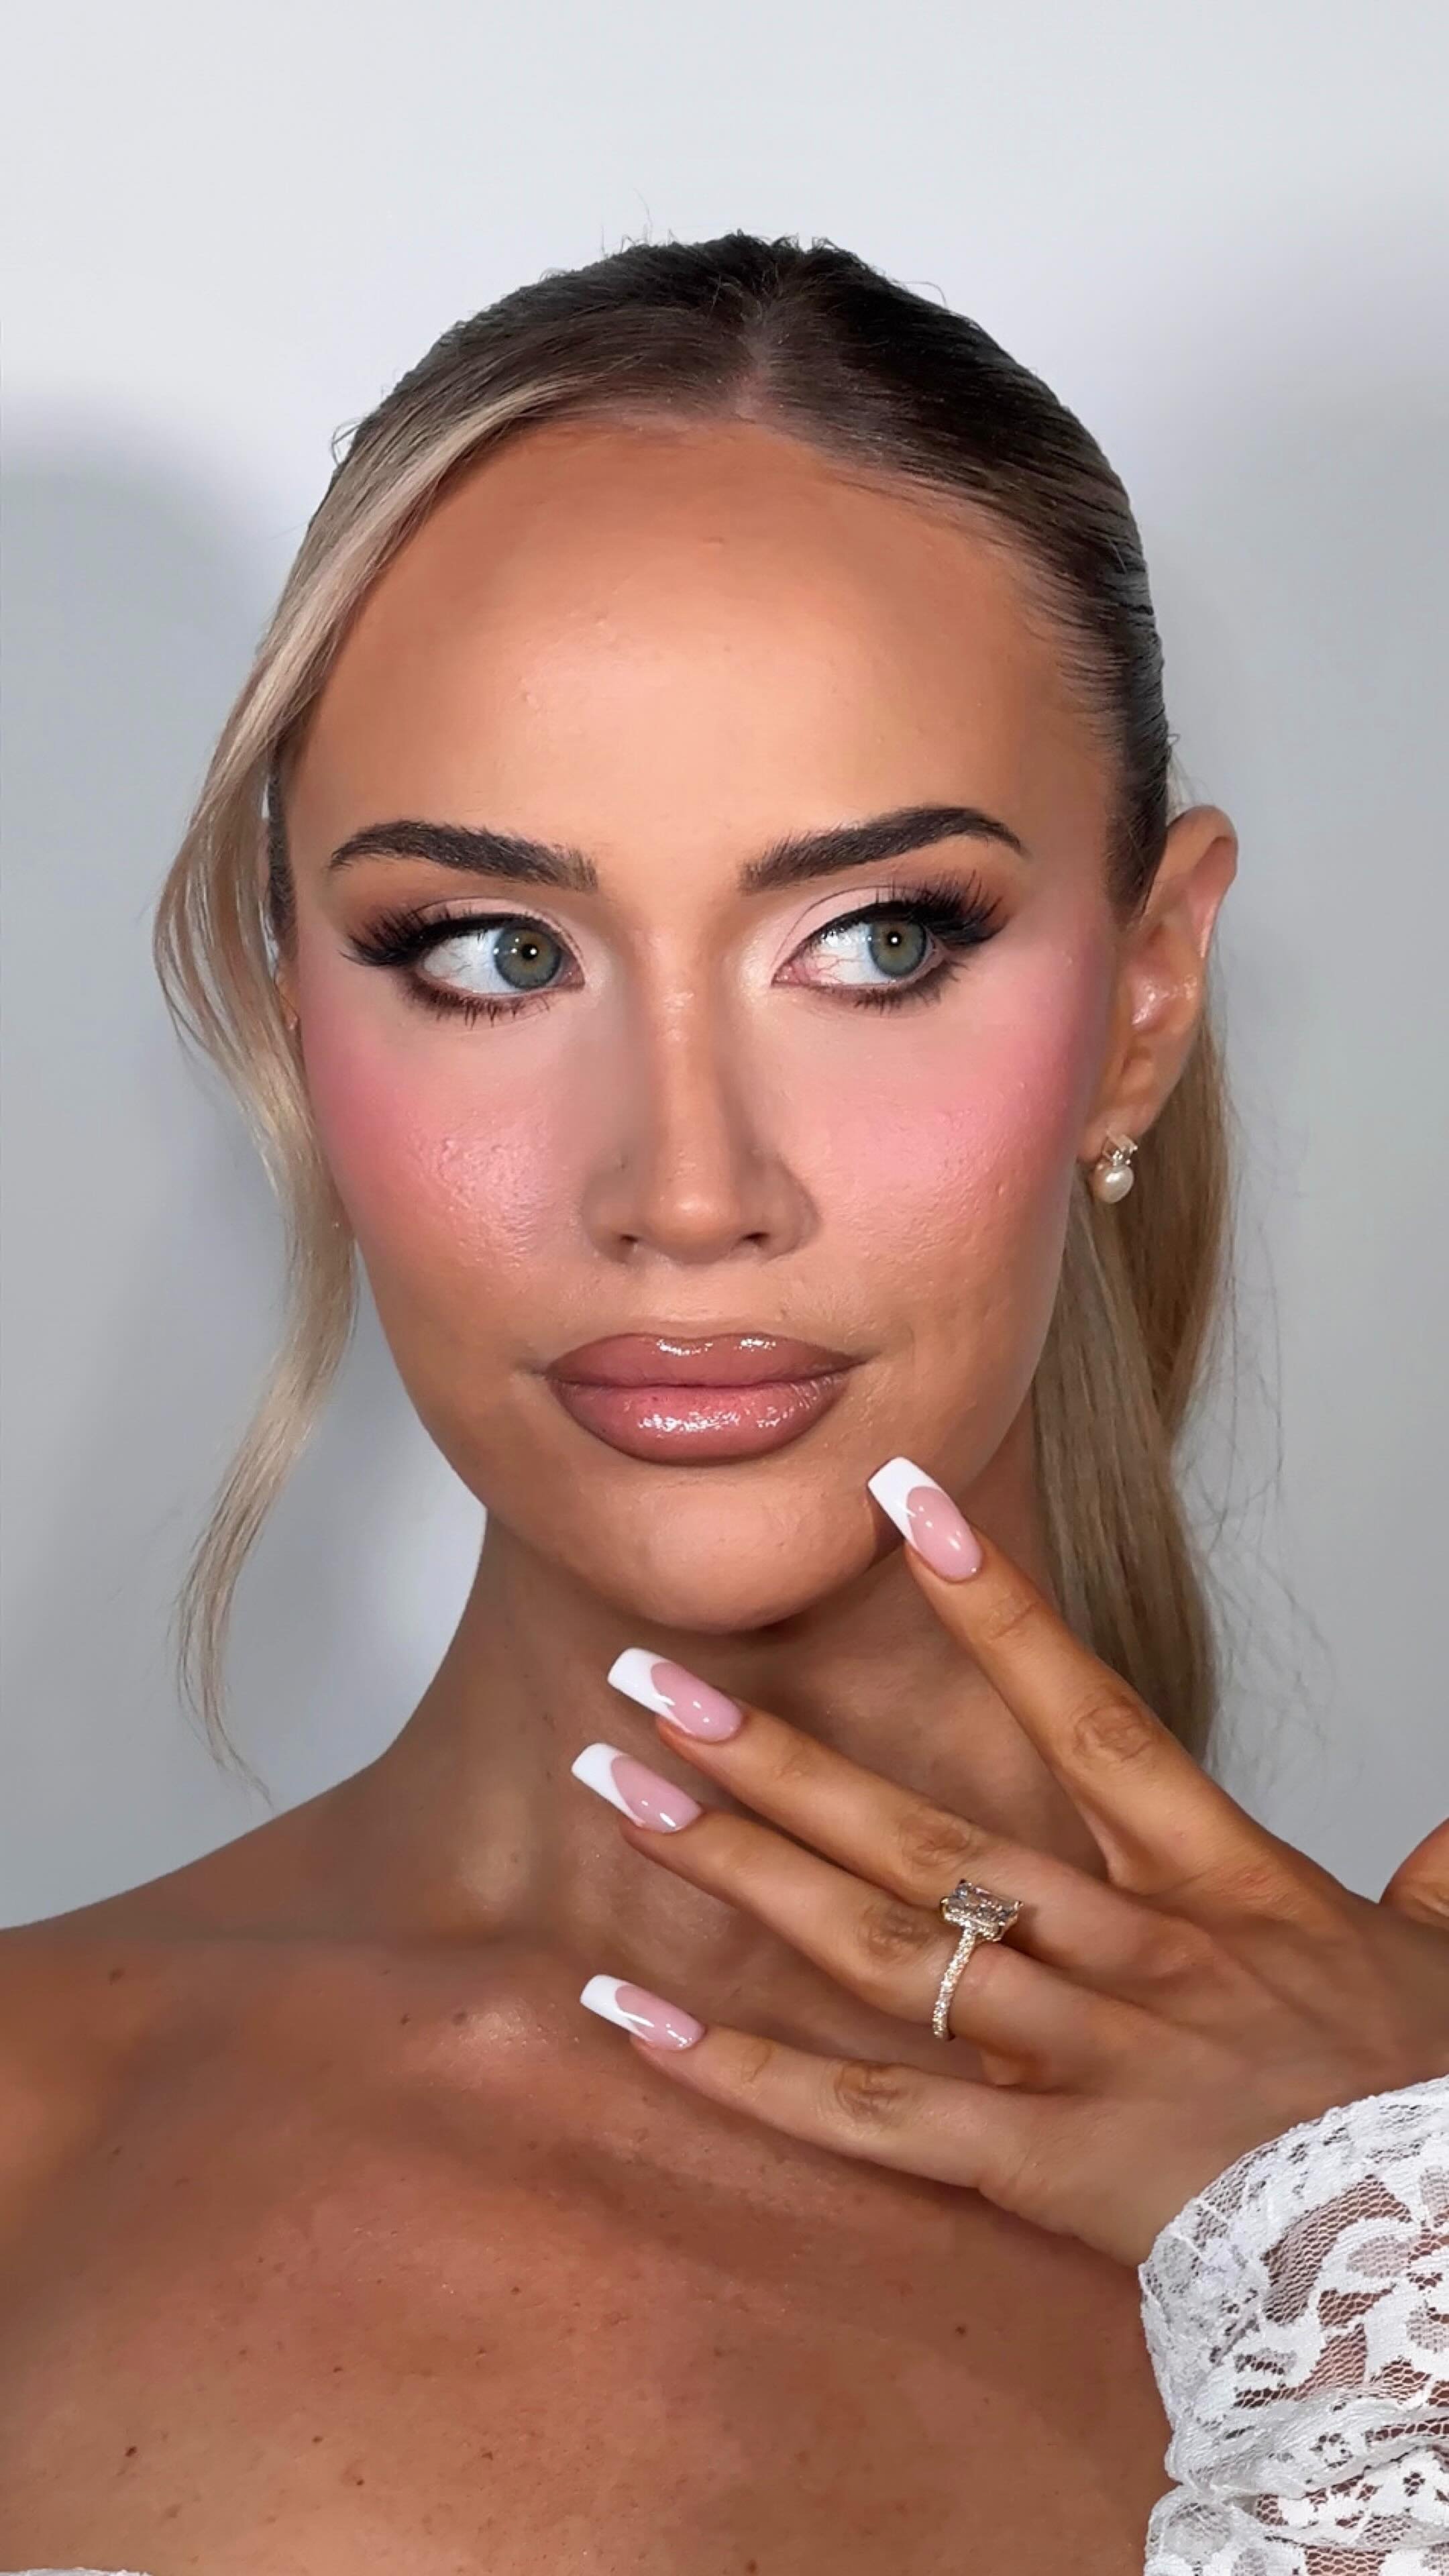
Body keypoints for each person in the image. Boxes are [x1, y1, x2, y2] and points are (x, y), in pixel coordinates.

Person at [1, 232, 1444, 2576]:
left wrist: (1387, 2291)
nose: (685, 1190)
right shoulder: (33, 2143)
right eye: (493, 955)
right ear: (298, 1025)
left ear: (1147, 1000)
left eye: (879, 942)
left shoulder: (1414, 2191)